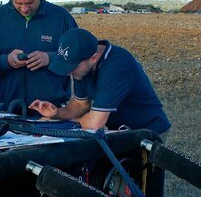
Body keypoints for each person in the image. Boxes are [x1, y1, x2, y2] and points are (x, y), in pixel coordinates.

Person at [29, 28, 171, 136]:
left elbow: (95, 123)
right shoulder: (82, 66)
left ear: (94, 58)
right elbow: (80, 105)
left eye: (72, 67)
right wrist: (57, 113)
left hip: (148, 131)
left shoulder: (117, 66)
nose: (68, 72)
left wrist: (60, 125)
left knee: (132, 174)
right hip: (120, 132)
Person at [0, 0, 77, 109]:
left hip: (51, 109)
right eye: (18, 3)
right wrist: (6, 61)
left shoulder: (62, 18)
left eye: (30, 2)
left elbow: (78, 57)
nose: (24, 9)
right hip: (7, 107)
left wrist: (49, 58)